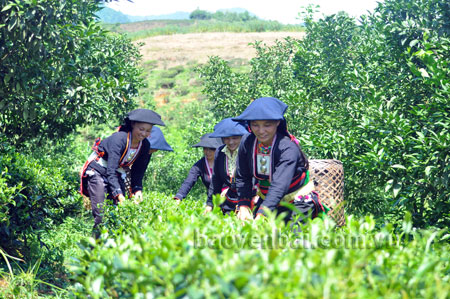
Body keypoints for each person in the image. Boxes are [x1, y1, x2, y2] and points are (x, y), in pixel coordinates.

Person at [233, 97, 327, 226]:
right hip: (267, 200)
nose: (261, 131)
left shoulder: (288, 148)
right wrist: (243, 204)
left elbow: (279, 185)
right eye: (255, 124)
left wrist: (262, 215)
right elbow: (242, 176)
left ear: (278, 122)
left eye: (267, 125)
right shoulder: (247, 142)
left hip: (297, 201)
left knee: (294, 238)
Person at [80, 108, 165, 233]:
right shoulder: (119, 139)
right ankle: (95, 250)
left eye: (148, 131)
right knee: (101, 215)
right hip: (98, 170)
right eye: (141, 129)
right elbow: (111, 170)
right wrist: (119, 194)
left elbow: (138, 172)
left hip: (117, 173)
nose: (144, 133)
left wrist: (137, 190)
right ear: (133, 125)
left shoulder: (145, 145)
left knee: (117, 214)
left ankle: (113, 249)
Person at [205, 118, 249, 214]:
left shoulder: (247, 151)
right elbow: (216, 180)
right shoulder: (220, 152)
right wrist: (210, 204)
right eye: (227, 138)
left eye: (235, 138)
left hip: (248, 200)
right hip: (230, 201)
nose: (231, 142)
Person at [174, 133, 223, 201]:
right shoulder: (200, 165)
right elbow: (189, 182)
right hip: (212, 200)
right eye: (205, 148)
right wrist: (179, 196)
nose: (208, 152)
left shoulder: (223, 161)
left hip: (229, 198)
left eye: (212, 149)